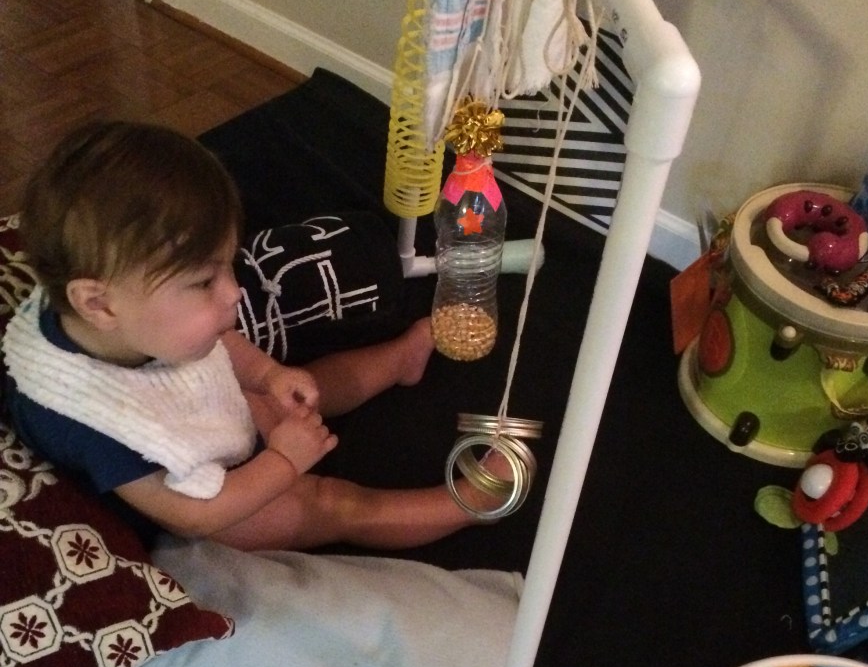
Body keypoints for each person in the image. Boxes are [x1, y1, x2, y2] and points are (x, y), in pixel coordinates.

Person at [2, 120, 509, 552]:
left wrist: (267, 374)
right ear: (98, 304)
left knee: (296, 390)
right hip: (217, 503)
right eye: (204, 282)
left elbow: (223, 345)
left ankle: (400, 359)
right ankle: (467, 504)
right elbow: (192, 517)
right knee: (333, 503)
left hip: (214, 420)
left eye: (227, 266)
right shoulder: (85, 415)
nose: (234, 293)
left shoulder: (128, 311)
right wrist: (283, 461)